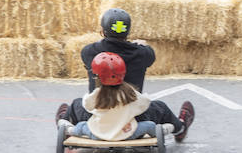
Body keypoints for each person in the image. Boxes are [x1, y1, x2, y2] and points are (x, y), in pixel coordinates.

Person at [57, 9, 195, 142]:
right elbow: (148, 57)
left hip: (98, 117)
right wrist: (141, 46)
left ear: (102, 31)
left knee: (76, 103)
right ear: (127, 32)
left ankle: (66, 126)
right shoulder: (143, 53)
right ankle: (180, 128)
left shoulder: (89, 52)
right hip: (132, 118)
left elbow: (86, 103)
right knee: (160, 107)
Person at [63, 53, 159, 141]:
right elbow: (145, 103)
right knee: (150, 125)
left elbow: (87, 105)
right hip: (127, 133)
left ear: (97, 76)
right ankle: (164, 130)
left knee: (82, 126)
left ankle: (70, 130)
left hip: (98, 134)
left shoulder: (97, 94)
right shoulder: (130, 93)